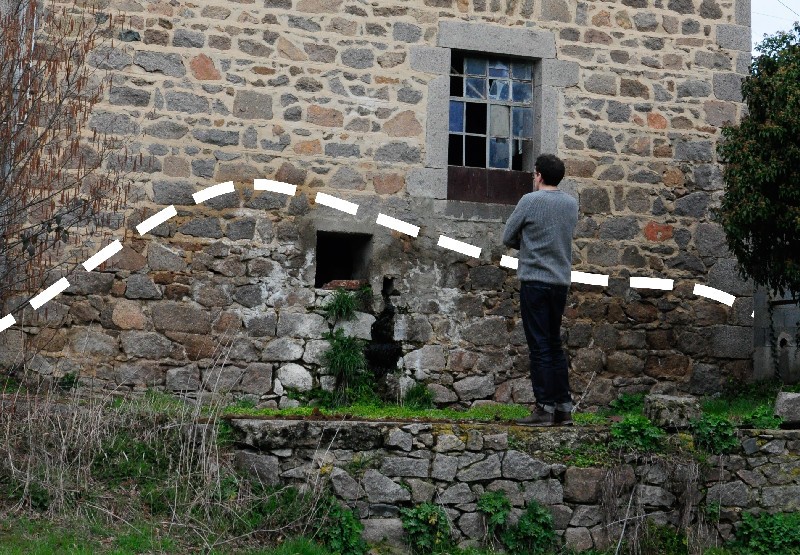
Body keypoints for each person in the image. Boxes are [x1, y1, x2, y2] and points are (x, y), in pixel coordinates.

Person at [502, 154, 579, 426]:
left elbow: (507, 236)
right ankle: (563, 408)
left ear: (539, 176)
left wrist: (530, 247)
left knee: (539, 346)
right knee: (554, 343)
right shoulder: (571, 204)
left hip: (535, 281)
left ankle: (543, 408)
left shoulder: (529, 201)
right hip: (560, 282)